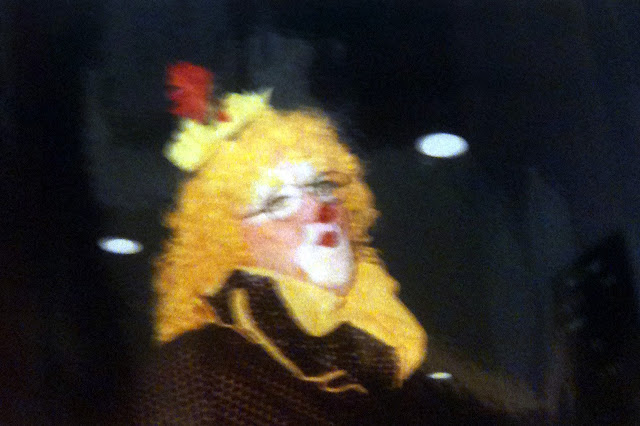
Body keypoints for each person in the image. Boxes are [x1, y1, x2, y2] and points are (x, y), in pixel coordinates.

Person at [117, 63, 524, 425]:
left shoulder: (394, 353)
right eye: (277, 203)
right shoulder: (201, 368)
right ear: (225, 248)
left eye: (322, 185)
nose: (320, 209)